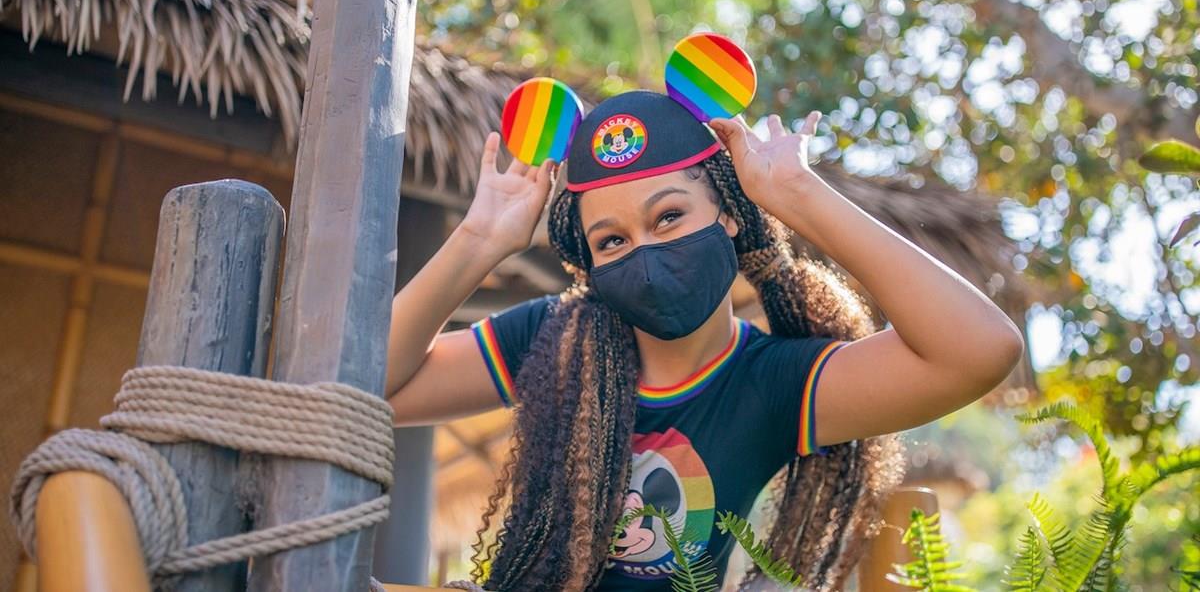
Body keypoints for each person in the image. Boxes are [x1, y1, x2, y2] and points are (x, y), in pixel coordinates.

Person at [385, 87, 1023, 591]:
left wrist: (797, 194)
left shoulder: (774, 383)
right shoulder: (552, 337)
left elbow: (980, 350)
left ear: (727, 214)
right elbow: (366, 388)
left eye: (669, 216)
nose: (645, 253)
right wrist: (478, 242)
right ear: (588, 264)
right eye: (612, 240)